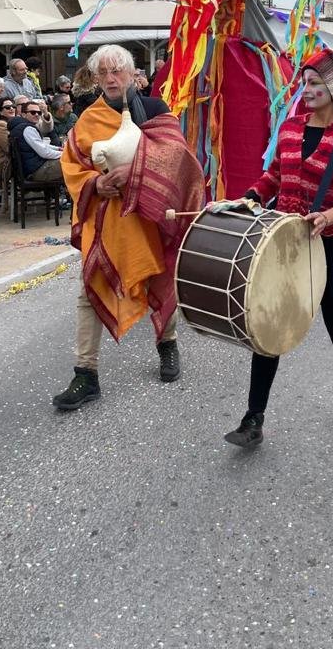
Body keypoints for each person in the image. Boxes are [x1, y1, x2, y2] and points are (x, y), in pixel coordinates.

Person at [223, 49, 333, 448]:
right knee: (269, 325)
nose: (305, 90)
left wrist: (328, 217)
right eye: (305, 82)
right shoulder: (291, 127)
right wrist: (252, 197)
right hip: (288, 244)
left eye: (315, 83)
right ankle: (253, 419)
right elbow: (275, 174)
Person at [54, 44, 205, 411]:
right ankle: (85, 373)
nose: (110, 78)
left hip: (148, 217)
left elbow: (178, 160)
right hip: (106, 219)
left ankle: (167, 345)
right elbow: (73, 163)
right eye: (103, 72)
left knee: (158, 276)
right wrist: (95, 184)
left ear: (130, 73)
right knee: (90, 291)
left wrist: (137, 173)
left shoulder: (153, 109)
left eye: (117, 70)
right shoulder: (87, 118)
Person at [8, 101, 64, 182]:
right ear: (23, 114)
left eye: (39, 112)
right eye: (33, 112)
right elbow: (45, 153)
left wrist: (59, 149)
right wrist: (65, 154)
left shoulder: (20, 127)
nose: (37, 115)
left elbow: (42, 145)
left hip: (31, 169)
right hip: (36, 172)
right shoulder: (28, 129)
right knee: (74, 162)